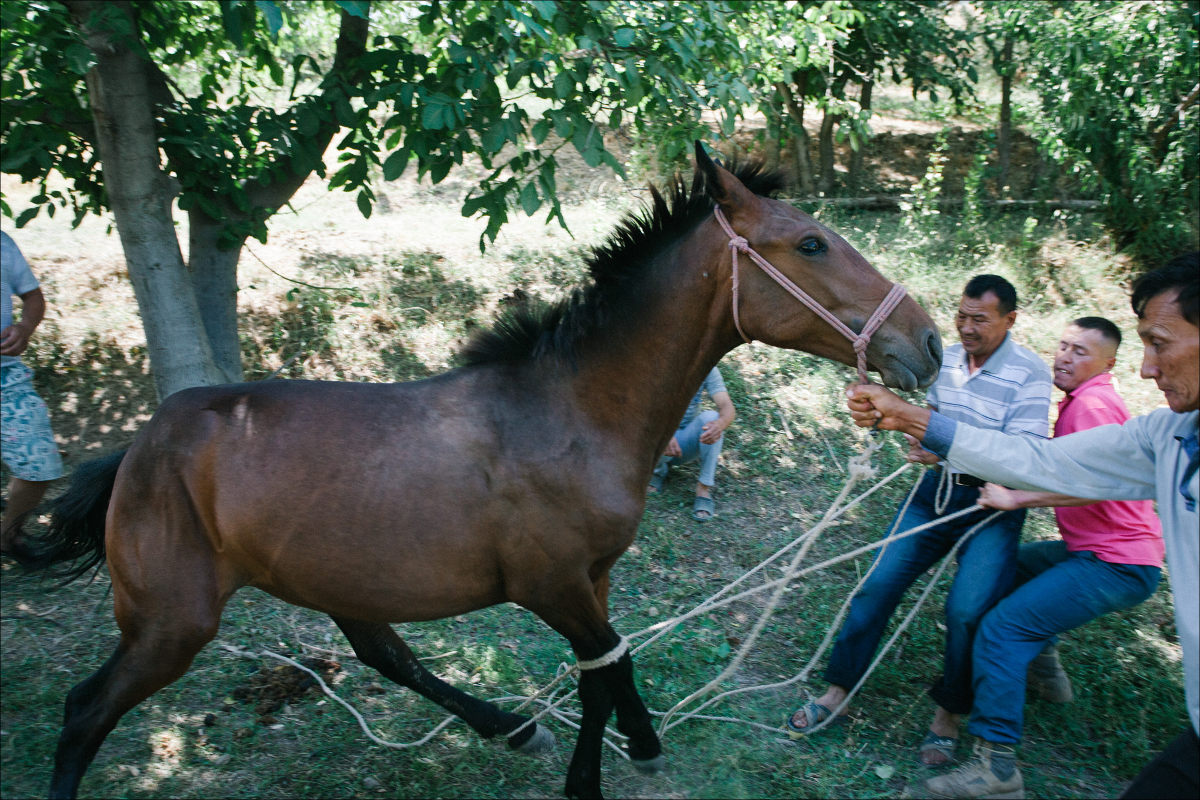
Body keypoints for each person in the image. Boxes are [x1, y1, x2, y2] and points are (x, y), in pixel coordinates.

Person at [845, 253, 1198, 800]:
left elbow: (1055, 470)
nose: (1148, 368)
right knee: (988, 587)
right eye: (1065, 347)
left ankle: (994, 757)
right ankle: (1043, 662)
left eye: (1161, 343)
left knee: (995, 621)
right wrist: (916, 420)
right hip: (1029, 528)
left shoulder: (1089, 406)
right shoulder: (1166, 431)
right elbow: (1047, 462)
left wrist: (1013, 496)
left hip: (1105, 555)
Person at [787, 275, 1053, 770]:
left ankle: (948, 716)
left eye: (980, 319)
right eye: (962, 315)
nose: (966, 328)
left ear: (1010, 320)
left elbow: (1024, 456)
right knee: (876, 585)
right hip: (935, 494)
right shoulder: (946, 358)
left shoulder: (1031, 374)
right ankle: (837, 691)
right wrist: (918, 438)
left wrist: (941, 439)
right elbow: (932, 421)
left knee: (967, 611)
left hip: (992, 506)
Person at [1, 230, 63, 558]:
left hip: (6, 378)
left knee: (40, 466)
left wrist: (24, 328)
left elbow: (33, 297)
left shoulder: (2, 243)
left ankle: (8, 535)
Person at [648, 365, 736, 521]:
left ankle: (703, 489)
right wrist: (664, 432)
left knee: (712, 419)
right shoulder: (659, 360)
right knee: (652, 425)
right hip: (653, 438)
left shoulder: (706, 366)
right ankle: (657, 472)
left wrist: (720, 424)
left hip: (682, 442)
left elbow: (727, 407)